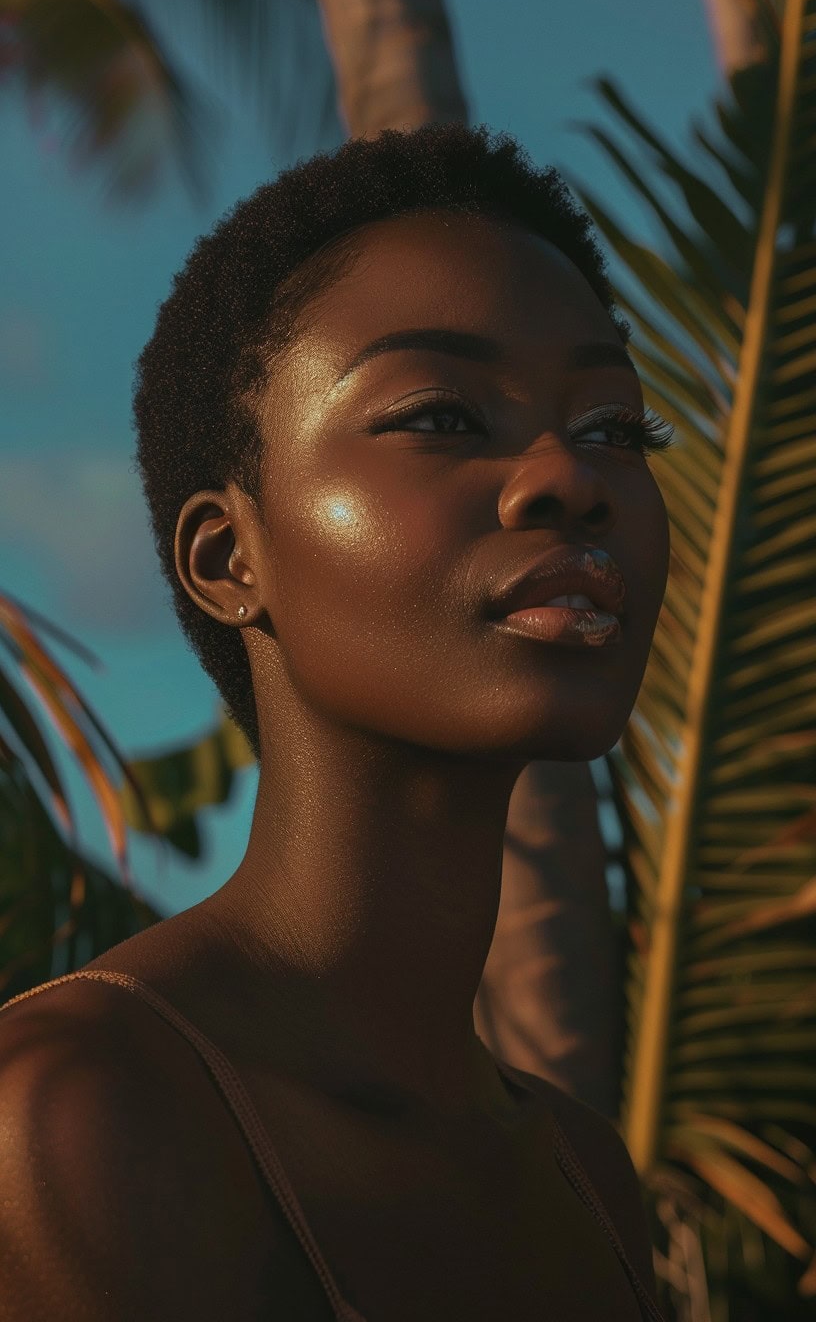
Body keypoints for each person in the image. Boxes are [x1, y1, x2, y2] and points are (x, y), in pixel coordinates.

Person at [0, 124, 673, 1321]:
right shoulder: (72, 1112)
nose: (569, 475)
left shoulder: (584, 1173)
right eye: (442, 416)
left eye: (615, 426)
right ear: (228, 557)